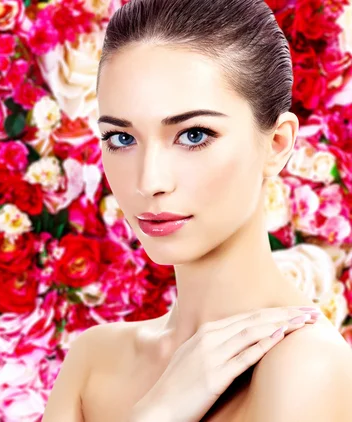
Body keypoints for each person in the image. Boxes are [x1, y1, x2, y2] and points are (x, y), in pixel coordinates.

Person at [42, 0, 352, 421]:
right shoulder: (93, 359)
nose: (149, 181)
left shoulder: (307, 367)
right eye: (120, 138)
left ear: (277, 144)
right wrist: (159, 411)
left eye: (193, 134)